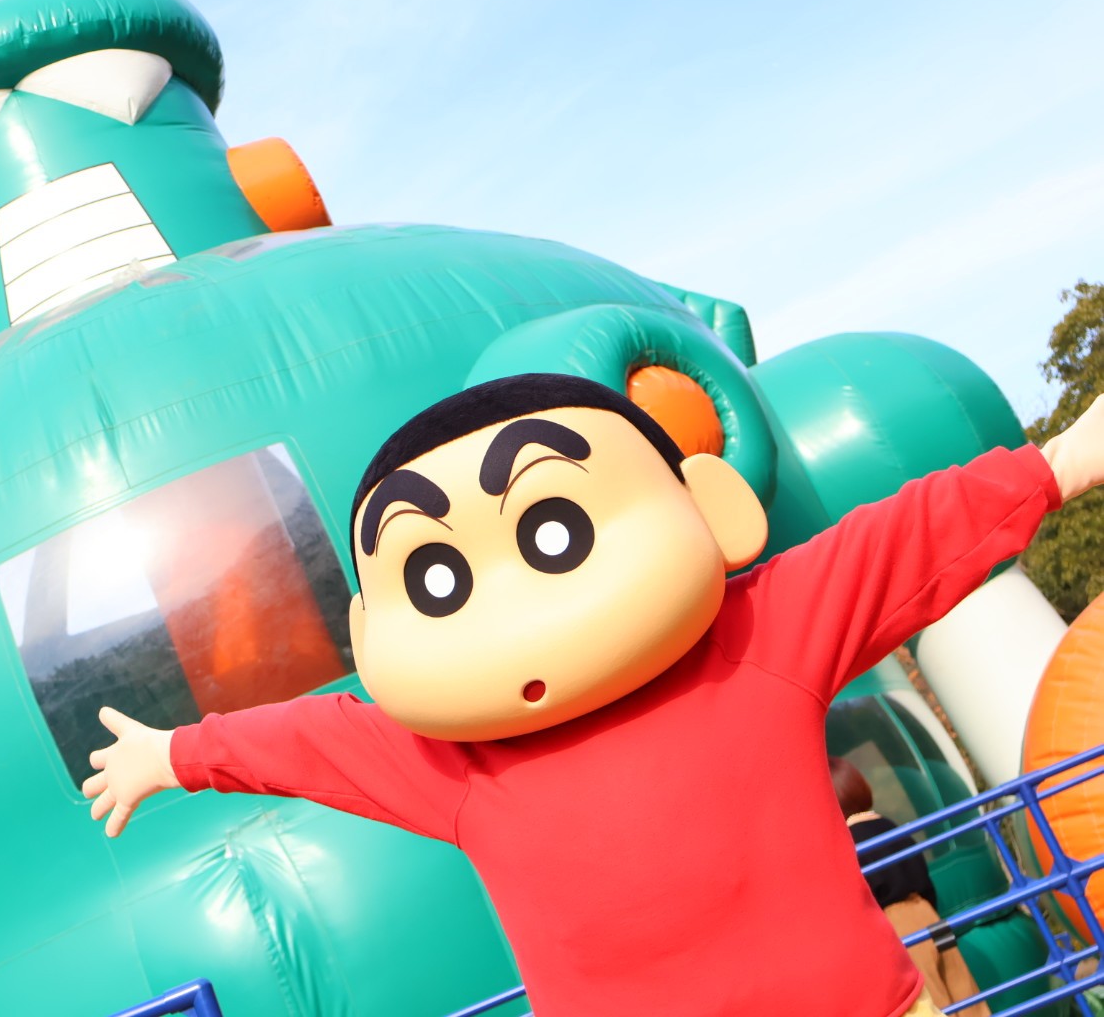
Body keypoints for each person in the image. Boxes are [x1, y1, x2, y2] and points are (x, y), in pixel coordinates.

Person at [83, 372, 1104, 1016]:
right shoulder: (450, 758)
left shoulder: (761, 632)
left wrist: (1058, 464)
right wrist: (175, 753)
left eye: (552, 530)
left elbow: (906, 539)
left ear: (712, 511)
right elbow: (308, 740)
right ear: (370, 632)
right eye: (434, 577)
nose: (510, 606)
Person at [831, 756, 993, 1017]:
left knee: (935, 1000)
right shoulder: (888, 825)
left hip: (897, 924)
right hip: (926, 912)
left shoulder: (850, 843)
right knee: (965, 994)